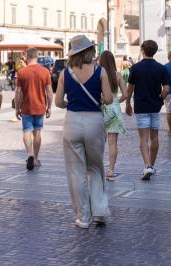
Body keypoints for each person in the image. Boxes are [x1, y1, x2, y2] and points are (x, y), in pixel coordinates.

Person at [55, 35, 113, 229]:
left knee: (76, 171)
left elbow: (58, 102)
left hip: (72, 120)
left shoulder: (65, 73)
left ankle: (83, 217)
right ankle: (100, 213)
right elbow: (109, 98)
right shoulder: (100, 70)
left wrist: (69, 103)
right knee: (96, 168)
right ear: (89, 51)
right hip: (94, 121)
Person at [126, 40, 170, 181]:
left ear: (142, 50)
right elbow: (167, 89)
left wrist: (128, 103)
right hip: (155, 107)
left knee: (143, 139)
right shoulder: (161, 68)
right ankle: (151, 165)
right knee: (155, 137)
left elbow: (130, 88)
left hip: (141, 107)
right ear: (155, 51)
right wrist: (160, 99)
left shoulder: (136, 68)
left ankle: (147, 166)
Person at [14, 48, 53, 170]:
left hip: (26, 107)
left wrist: (17, 107)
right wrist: (49, 107)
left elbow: (18, 92)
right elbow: (49, 91)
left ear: (27, 56)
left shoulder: (21, 72)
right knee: (37, 132)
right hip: (40, 106)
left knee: (26, 131)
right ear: (37, 56)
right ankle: (35, 158)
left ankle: (29, 154)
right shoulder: (45, 72)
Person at [99, 51, 128, 181]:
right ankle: (111, 170)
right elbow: (126, 94)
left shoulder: (98, 75)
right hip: (114, 110)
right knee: (112, 143)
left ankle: (97, 170)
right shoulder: (117, 75)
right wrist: (117, 101)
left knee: (98, 142)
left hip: (101, 110)